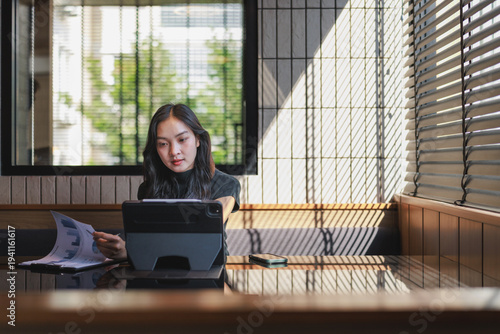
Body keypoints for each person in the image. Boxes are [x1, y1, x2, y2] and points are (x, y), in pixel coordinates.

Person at [93, 103, 241, 260]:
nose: (173, 151)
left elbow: (199, 237)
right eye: (163, 144)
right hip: (158, 273)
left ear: (198, 140)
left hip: (210, 272)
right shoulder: (148, 188)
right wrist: (125, 252)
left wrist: (131, 250)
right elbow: (147, 243)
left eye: (182, 139)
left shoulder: (226, 184)